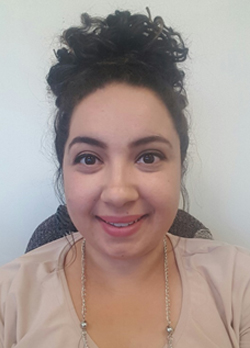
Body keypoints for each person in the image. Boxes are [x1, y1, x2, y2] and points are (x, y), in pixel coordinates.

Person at [0, 9, 250, 348]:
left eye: (148, 157)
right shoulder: (9, 298)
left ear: (180, 166)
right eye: (89, 158)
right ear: (64, 169)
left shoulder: (239, 283)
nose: (118, 193)